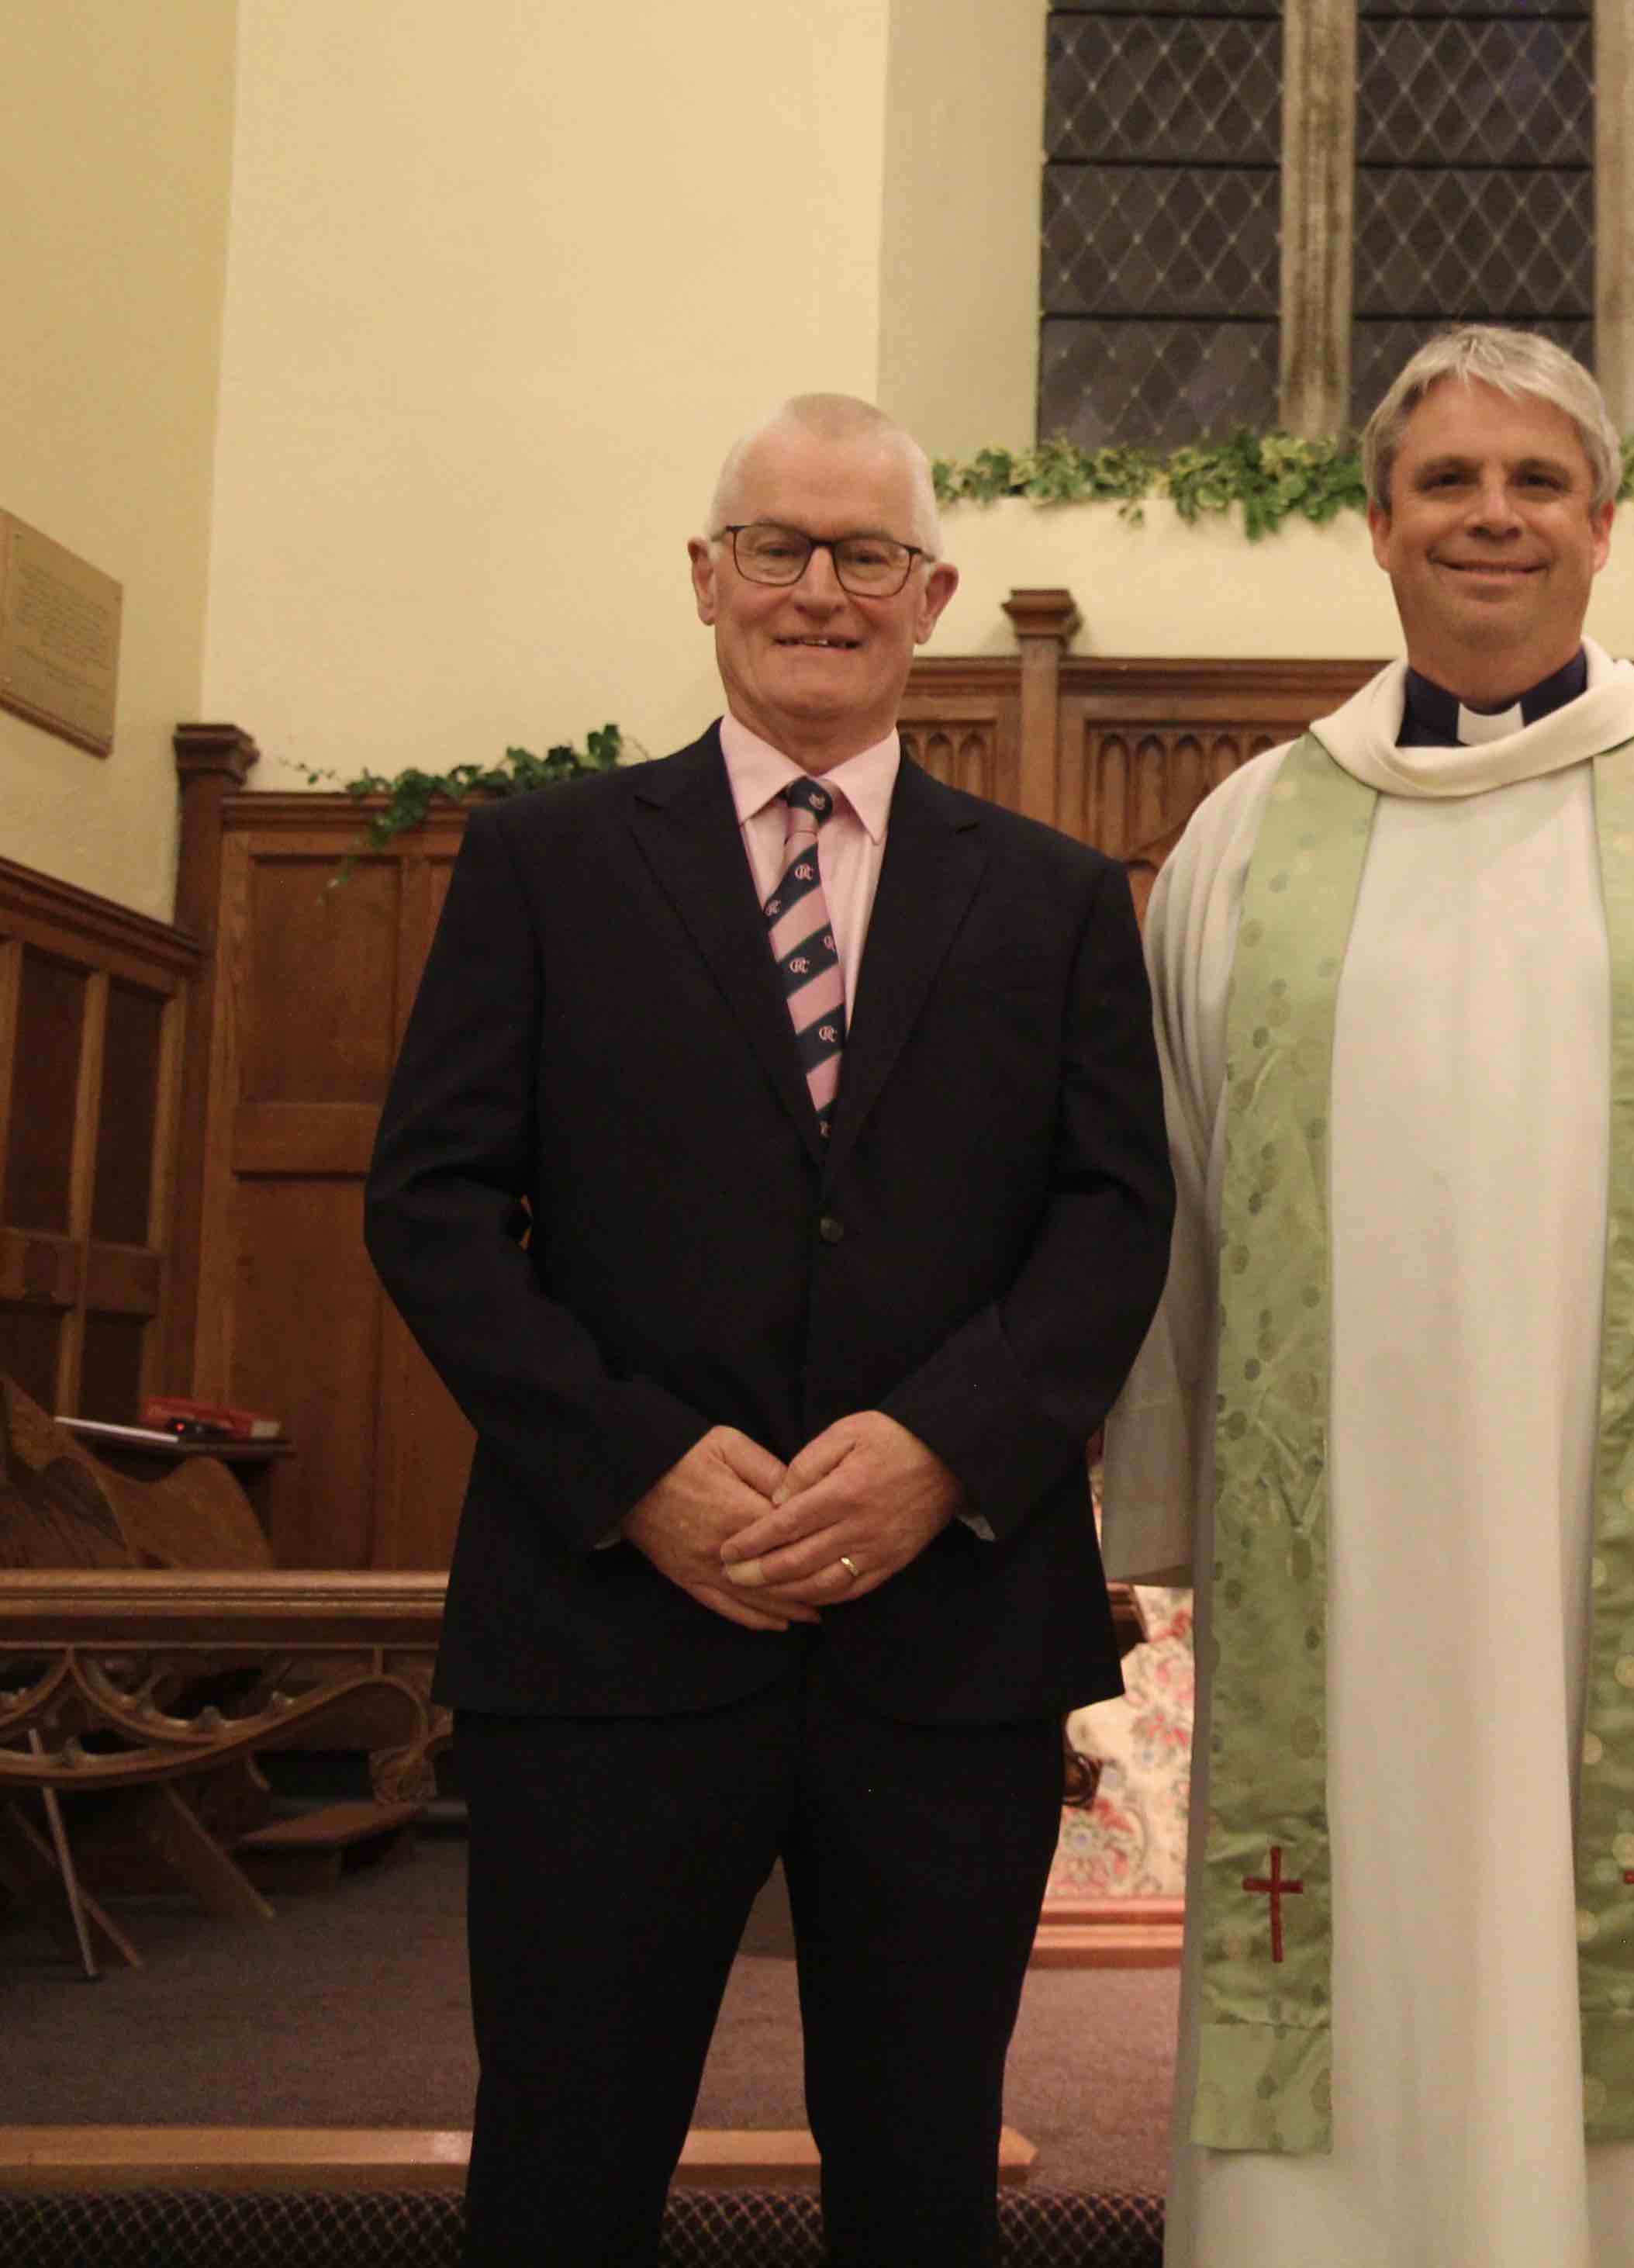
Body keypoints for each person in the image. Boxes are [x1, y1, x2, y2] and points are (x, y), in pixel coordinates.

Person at [1100, 325, 1634, 2268]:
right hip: (1344, 1555)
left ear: (1605, 527)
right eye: (1449, 481)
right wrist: (1170, 1484)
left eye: (1536, 481)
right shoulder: (1246, 834)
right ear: (1375, 524)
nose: (1493, 515)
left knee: (1632, 1974)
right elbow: (1179, 1195)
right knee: (1357, 1945)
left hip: (1631, 1537)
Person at [364, 392, 1172, 2266]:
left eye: (864, 554)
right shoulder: (548, 861)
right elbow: (430, 1203)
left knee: (918, 2180)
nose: (819, 588)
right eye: (780, 549)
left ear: (931, 595)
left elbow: (1115, 1214)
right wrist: (631, 1464)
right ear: (707, 577)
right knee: (563, 2170)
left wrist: (947, 1449)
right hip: (612, 1634)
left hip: (945, 1638)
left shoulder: (1047, 901)